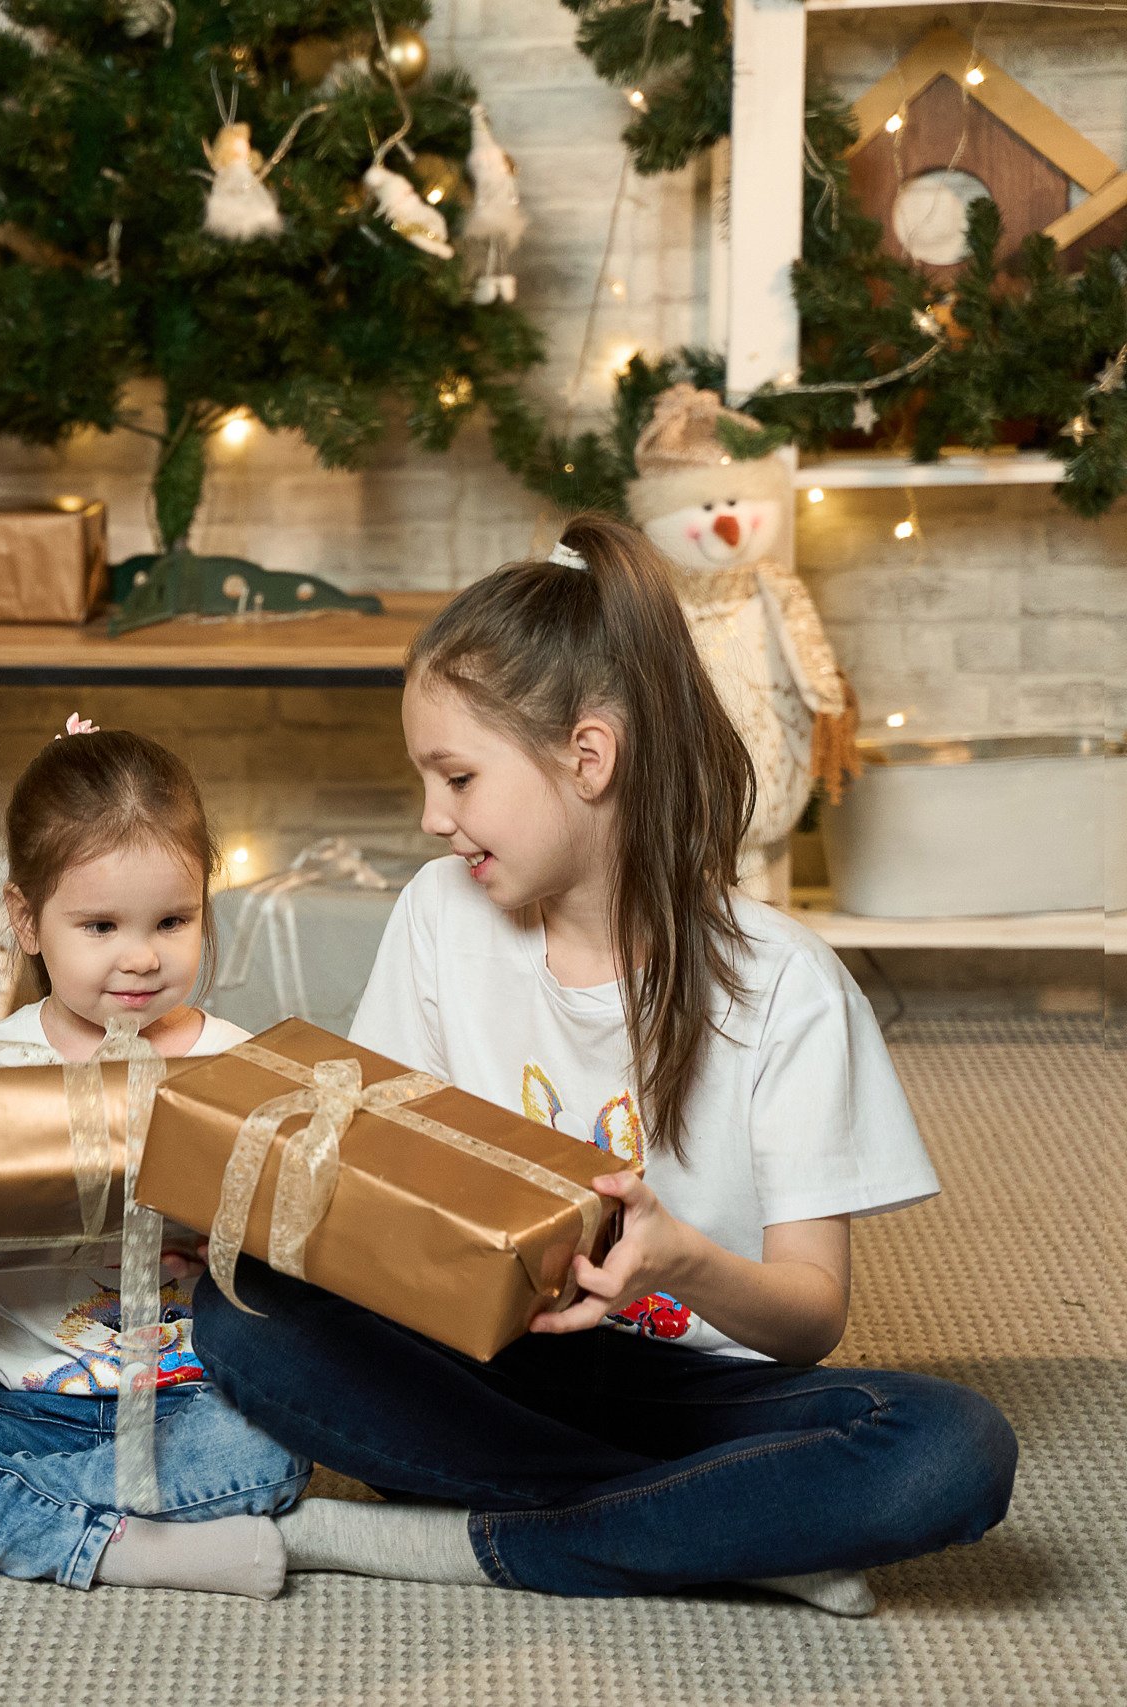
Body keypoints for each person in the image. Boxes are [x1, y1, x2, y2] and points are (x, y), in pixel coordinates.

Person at [193, 516, 1018, 1615]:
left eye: (457, 777)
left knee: (953, 1446)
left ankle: (490, 1538)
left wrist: (679, 1260)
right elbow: (386, 1186)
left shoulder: (787, 983)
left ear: (588, 758)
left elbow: (810, 1318)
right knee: (240, 1306)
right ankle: (728, 1529)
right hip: (497, 1361)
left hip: (698, 1392)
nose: (432, 819)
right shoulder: (438, 915)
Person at [0, 721, 306, 1597]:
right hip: (22, 1401)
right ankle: (129, 1544)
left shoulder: (237, 1066)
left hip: (195, 1402)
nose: (141, 955)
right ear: (26, 920)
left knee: (277, 1444)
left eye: (173, 920)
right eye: (101, 924)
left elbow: (293, 1269)